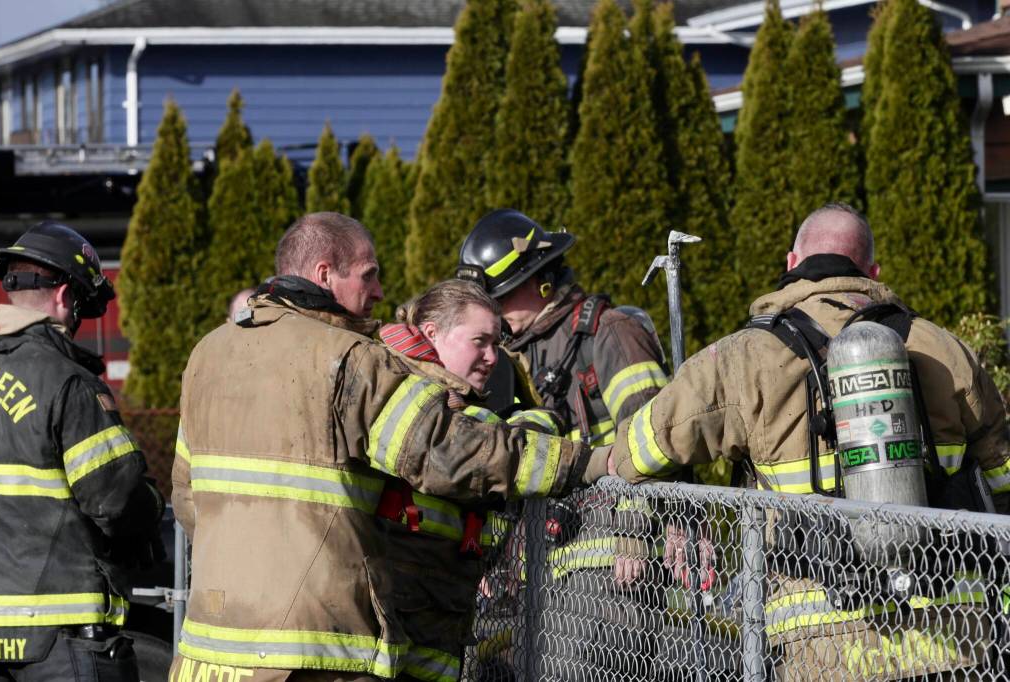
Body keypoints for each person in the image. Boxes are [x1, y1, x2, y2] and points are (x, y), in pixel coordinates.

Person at [170, 212, 606, 682]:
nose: (379, 291)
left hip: (207, 655)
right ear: (324, 274)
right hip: (313, 656)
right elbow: (448, 453)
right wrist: (585, 460)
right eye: (368, 274)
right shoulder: (349, 359)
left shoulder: (207, 355)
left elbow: (188, 500)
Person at [607, 203, 1010, 680]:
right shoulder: (942, 348)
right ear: (874, 272)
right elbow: (1000, 474)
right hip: (954, 631)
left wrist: (602, 465)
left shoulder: (742, 359)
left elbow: (639, 451)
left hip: (821, 641)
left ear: (791, 262)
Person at [457, 208, 670, 680]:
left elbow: (653, 438)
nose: (495, 314)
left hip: (611, 564)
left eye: (499, 298)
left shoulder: (611, 333)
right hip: (544, 567)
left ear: (539, 282)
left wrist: (634, 530)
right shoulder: (516, 355)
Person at [0, 221, 165, 682]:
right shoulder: (68, 383)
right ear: (66, 298)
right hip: (59, 644)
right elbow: (118, 500)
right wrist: (154, 507)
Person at [376, 279, 561, 682]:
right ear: (431, 333)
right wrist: (540, 421)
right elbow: (467, 445)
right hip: (394, 614)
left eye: (496, 344)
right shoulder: (402, 387)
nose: (492, 358)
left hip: (433, 612)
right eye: (480, 341)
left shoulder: (445, 394)